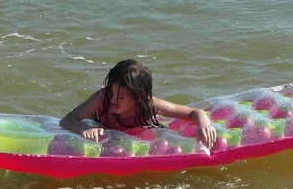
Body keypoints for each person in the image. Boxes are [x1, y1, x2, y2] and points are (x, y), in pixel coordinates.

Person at [60, 58, 217, 148]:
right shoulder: (102, 97)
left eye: (121, 98)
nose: (113, 100)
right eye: (111, 93)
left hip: (136, 134)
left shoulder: (149, 105)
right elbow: (67, 120)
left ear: (137, 97)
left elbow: (194, 112)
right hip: (107, 131)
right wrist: (84, 129)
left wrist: (204, 124)